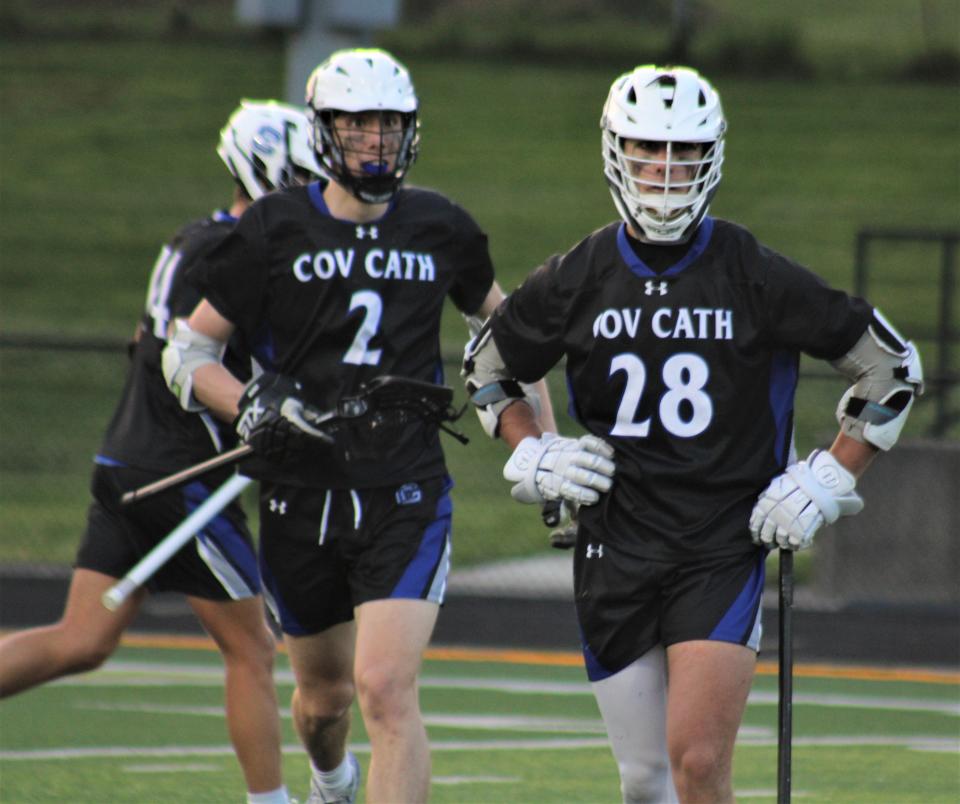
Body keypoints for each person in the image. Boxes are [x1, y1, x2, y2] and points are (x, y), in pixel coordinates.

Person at [462, 64, 923, 803]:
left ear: (713, 158)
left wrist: (828, 476)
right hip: (614, 541)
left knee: (699, 764)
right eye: (649, 151)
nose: (666, 171)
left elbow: (890, 369)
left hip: (719, 540)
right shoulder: (581, 274)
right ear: (618, 153)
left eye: (685, 155)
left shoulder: (751, 271)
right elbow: (489, 367)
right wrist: (530, 449)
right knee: (644, 780)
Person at [160, 48, 554, 804]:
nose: (376, 139)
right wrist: (247, 403)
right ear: (325, 131)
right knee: (325, 700)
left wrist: (541, 442)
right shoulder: (273, 228)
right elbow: (189, 351)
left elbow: (513, 340)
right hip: (299, 497)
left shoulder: (442, 227)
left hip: (403, 491)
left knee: (384, 689)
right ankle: (331, 779)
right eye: (359, 123)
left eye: (390, 124)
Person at [0, 99, 323, 804]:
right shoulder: (234, 249)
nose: (313, 194)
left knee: (82, 639)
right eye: (302, 177)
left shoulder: (195, 239)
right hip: (182, 472)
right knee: (253, 647)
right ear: (266, 171)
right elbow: (191, 358)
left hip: (129, 459)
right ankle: (271, 803)